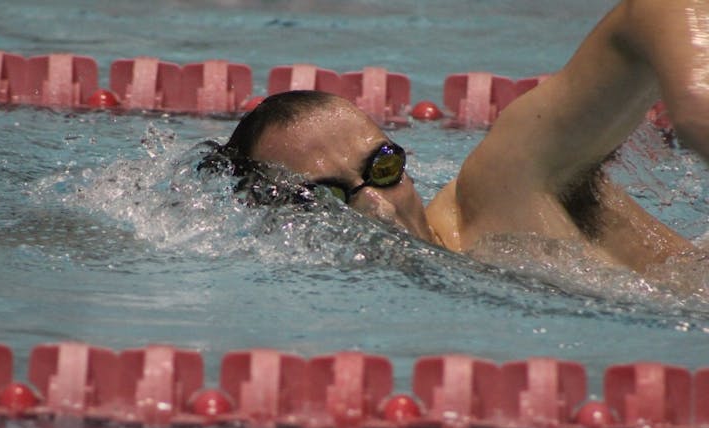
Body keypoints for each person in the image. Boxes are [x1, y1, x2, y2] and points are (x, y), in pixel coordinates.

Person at [215, 0, 708, 279]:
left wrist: (695, 103)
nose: (379, 210)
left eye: (382, 169)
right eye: (326, 196)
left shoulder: (498, 191)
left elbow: (656, 8)